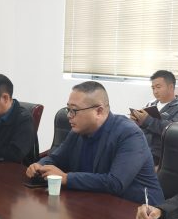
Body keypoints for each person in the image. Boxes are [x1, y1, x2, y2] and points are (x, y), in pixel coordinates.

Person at [26, 81, 163, 204]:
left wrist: (67, 178)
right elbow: (56, 159)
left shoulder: (129, 134)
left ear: (99, 111)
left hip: (138, 211)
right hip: (95, 203)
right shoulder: (77, 132)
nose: (69, 115)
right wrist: (40, 165)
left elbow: (115, 183)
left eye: (74, 110)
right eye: (68, 109)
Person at [130, 69, 178, 165]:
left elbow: (175, 132)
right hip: (140, 147)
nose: (155, 91)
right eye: (153, 88)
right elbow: (142, 127)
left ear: (170, 87)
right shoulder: (150, 104)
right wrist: (136, 121)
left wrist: (148, 120)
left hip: (159, 154)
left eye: (158, 87)